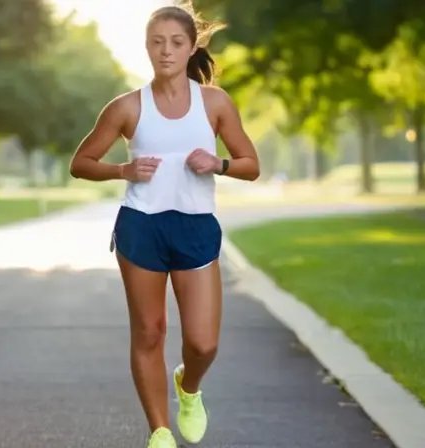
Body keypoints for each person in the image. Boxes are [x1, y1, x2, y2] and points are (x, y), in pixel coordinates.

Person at [69, 3, 260, 447]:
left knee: (203, 343)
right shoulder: (126, 108)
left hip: (195, 229)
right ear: (146, 49)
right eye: (157, 43)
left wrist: (219, 163)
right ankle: (159, 430)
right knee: (150, 332)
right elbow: (80, 163)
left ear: (192, 46)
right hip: (141, 228)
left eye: (176, 43)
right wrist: (123, 171)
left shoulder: (214, 103)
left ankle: (188, 387)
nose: (166, 51)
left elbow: (251, 165)